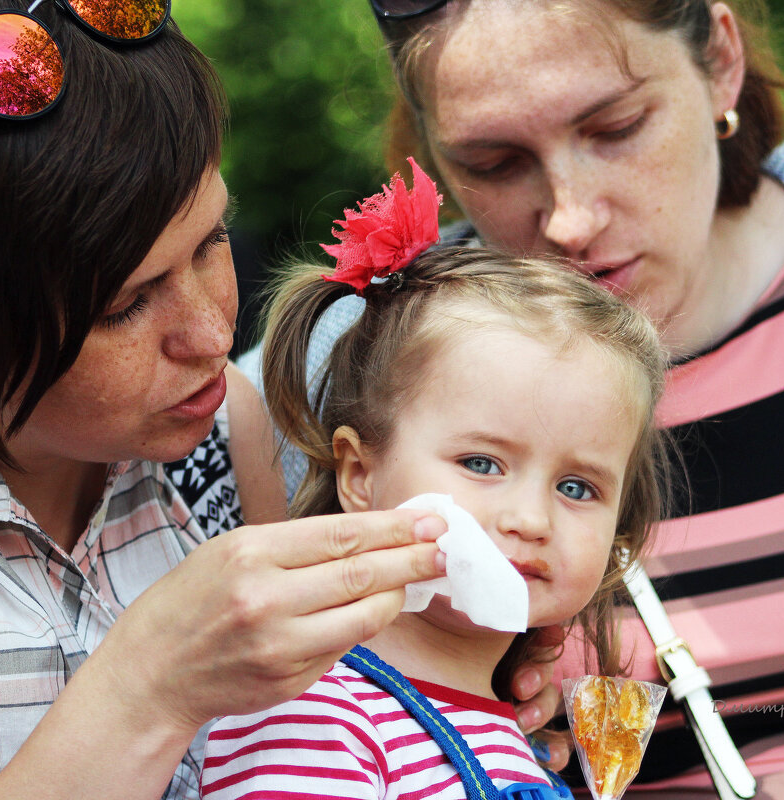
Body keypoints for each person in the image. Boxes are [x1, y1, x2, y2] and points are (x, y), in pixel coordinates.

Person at [0, 2, 470, 798]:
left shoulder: (219, 430)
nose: (212, 333)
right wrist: (147, 686)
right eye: (125, 305)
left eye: (212, 240)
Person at [239, 0, 784, 795]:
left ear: (720, 61)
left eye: (617, 126)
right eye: (493, 163)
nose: (569, 218)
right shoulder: (344, 360)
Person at [202, 162, 668, 799]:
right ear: (361, 476)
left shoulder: (519, 734)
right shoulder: (315, 717)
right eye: (481, 464)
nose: (531, 519)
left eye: (577, 488)